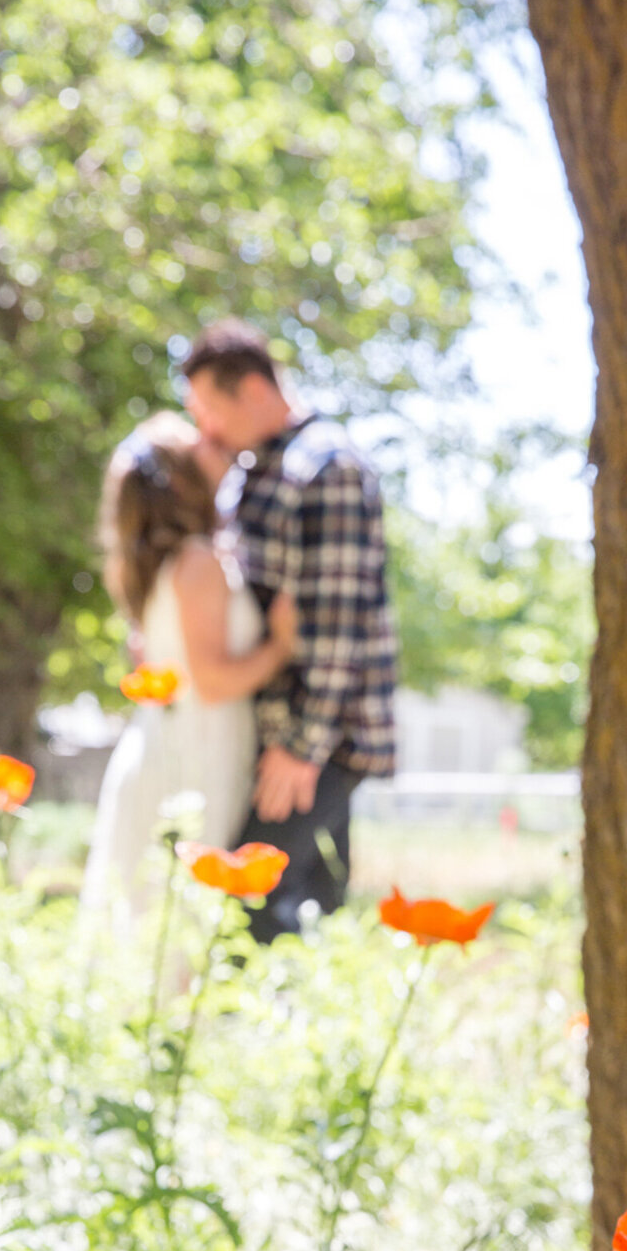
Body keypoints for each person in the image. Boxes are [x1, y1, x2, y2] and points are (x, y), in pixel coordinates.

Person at [182, 321, 397, 942]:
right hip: (278, 732)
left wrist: (304, 745)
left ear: (252, 388)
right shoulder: (255, 470)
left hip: (317, 739)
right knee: (305, 907)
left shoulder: (326, 466)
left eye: (211, 410)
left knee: (246, 909)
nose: (207, 430)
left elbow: (337, 622)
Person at [80, 410, 297, 927]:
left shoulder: (166, 562)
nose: (213, 439)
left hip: (173, 747)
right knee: (178, 925)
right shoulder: (197, 562)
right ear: (178, 478)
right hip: (196, 755)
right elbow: (215, 681)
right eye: (195, 441)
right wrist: (282, 645)